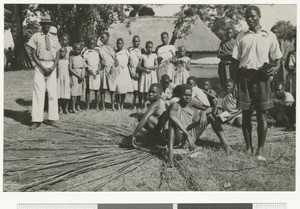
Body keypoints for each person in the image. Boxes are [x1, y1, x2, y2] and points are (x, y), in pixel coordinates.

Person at [232, 5, 282, 161]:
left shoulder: (269, 35)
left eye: (253, 16)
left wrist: (275, 68)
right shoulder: (241, 36)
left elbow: (277, 58)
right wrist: (234, 83)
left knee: (262, 115)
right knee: (246, 115)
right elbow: (235, 61)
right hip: (245, 77)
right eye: (247, 16)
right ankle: (249, 148)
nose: (250, 19)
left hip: (262, 78)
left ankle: (260, 149)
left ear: (259, 16)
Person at [168, 84, 231, 167]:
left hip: (191, 134)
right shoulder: (175, 105)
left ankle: (226, 145)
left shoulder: (191, 102)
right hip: (179, 136)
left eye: (189, 95)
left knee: (210, 116)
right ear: (180, 95)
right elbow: (172, 116)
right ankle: (170, 155)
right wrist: (187, 134)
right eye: (185, 95)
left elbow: (211, 108)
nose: (187, 97)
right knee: (172, 122)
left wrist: (204, 113)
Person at [27, 13, 61, 130]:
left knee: (52, 92)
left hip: (51, 66)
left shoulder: (54, 37)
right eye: (45, 24)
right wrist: (42, 67)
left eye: (49, 24)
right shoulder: (36, 36)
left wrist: (52, 67)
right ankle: (36, 120)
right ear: (41, 24)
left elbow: (57, 54)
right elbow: (33, 55)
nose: (47, 26)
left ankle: (52, 118)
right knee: (38, 92)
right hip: (40, 66)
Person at [131, 83, 168, 148]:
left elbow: (145, 117)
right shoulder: (161, 99)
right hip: (164, 128)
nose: (150, 94)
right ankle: (154, 136)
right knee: (142, 116)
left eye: (153, 92)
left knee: (143, 117)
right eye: (150, 91)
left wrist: (134, 134)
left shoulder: (156, 104)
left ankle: (155, 138)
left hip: (162, 131)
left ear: (159, 94)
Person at [98, 32, 119, 111]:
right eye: (101, 38)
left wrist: (114, 66)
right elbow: (100, 60)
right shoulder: (100, 49)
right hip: (103, 70)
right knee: (103, 89)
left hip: (111, 69)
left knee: (112, 88)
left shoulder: (112, 47)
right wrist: (102, 63)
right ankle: (103, 106)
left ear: (107, 38)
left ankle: (112, 106)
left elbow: (116, 59)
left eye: (103, 37)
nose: (102, 39)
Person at [82, 37, 101, 110]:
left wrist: (98, 69)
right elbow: (84, 62)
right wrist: (87, 69)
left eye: (93, 43)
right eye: (90, 43)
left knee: (97, 89)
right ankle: (87, 106)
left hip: (96, 71)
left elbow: (99, 62)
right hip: (89, 71)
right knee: (88, 89)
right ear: (88, 43)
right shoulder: (86, 52)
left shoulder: (97, 51)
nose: (92, 45)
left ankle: (97, 106)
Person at [138, 41, 158, 109]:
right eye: (148, 47)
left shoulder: (154, 55)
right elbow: (138, 66)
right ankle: (143, 105)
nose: (149, 49)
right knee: (144, 89)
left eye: (151, 47)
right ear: (146, 47)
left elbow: (156, 65)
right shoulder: (142, 55)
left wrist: (148, 67)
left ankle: (152, 105)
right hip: (145, 74)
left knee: (152, 89)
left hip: (152, 74)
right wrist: (144, 70)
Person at [115, 38, 134, 110]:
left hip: (125, 72)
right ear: (116, 44)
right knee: (118, 89)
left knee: (123, 90)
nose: (119, 45)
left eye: (120, 43)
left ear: (123, 44)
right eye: (118, 43)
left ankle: (122, 105)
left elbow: (130, 62)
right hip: (118, 71)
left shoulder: (126, 52)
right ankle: (118, 105)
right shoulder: (115, 53)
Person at [69, 43, 87, 113]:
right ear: (73, 49)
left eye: (79, 49)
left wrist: (83, 75)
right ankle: (73, 107)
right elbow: (70, 68)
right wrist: (77, 75)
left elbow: (84, 66)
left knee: (79, 92)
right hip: (75, 75)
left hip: (81, 75)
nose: (78, 50)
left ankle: (78, 106)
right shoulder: (71, 57)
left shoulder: (81, 57)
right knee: (74, 92)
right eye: (76, 49)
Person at [128, 35, 142, 109]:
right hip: (131, 70)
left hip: (139, 71)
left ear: (139, 42)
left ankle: (139, 104)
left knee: (139, 89)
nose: (136, 43)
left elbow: (141, 60)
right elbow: (128, 61)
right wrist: (131, 72)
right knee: (133, 90)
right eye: (134, 41)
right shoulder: (130, 50)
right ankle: (133, 104)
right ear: (132, 42)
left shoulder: (141, 50)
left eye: (137, 41)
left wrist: (138, 71)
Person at [57, 46, 71, 114]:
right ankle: (60, 109)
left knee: (67, 94)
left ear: (66, 52)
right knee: (59, 94)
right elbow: (56, 71)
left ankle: (66, 108)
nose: (61, 53)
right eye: (60, 51)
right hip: (59, 78)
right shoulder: (58, 61)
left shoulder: (67, 61)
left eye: (63, 51)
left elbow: (70, 70)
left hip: (66, 78)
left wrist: (70, 79)